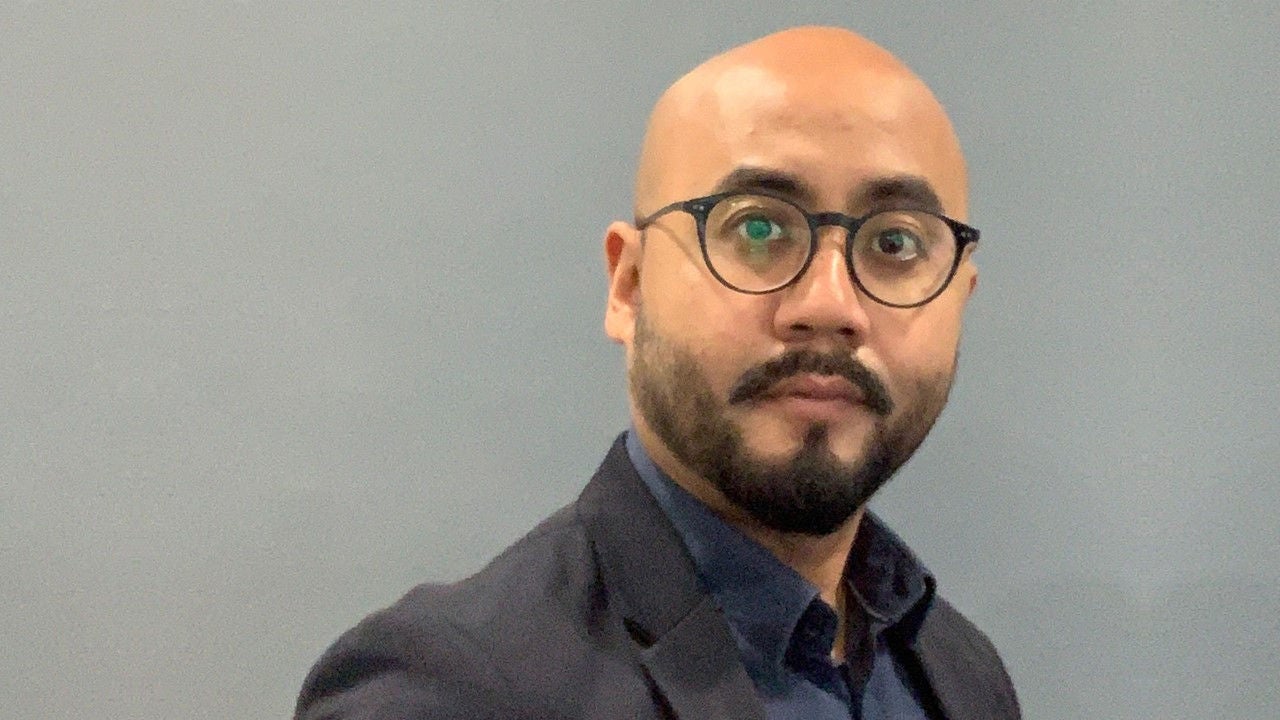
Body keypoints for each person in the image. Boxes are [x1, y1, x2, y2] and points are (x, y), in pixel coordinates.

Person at [295, 26, 1020, 720]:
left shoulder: (959, 674)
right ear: (630, 285)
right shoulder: (447, 692)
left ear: (961, 297)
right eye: (758, 228)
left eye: (896, 244)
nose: (831, 305)